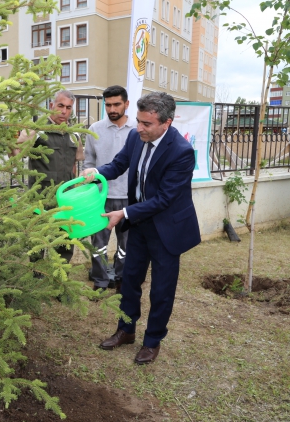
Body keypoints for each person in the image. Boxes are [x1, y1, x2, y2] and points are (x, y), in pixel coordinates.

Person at [81, 92, 200, 365]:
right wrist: (96, 174)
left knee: (161, 289)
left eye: (147, 123)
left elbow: (164, 200)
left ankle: (152, 341)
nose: (139, 128)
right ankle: (126, 330)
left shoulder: (181, 152)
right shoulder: (137, 137)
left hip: (167, 230)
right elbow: (120, 164)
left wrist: (123, 212)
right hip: (139, 224)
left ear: (166, 123)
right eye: (138, 121)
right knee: (130, 281)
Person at [16, 89, 84, 264]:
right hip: (41, 199)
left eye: (68, 108)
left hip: (65, 200)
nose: (64, 112)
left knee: (64, 242)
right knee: (38, 241)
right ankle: (37, 279)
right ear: (51, 105)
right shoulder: (38, 131)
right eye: (60, 106)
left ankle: (59, 281)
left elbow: (74, 165)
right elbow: (16, 153)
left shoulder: (74, 135)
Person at [83, 86, 135, 293]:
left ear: (127, 104)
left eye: (117, 104)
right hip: (100, 197)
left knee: (126, 245)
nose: (112, 109)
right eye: (108, 105)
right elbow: (89, 161)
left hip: (129, 198)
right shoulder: (95, 129)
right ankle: (100, 281)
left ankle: (122, 279)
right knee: (98, 244)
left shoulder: (137, 130)